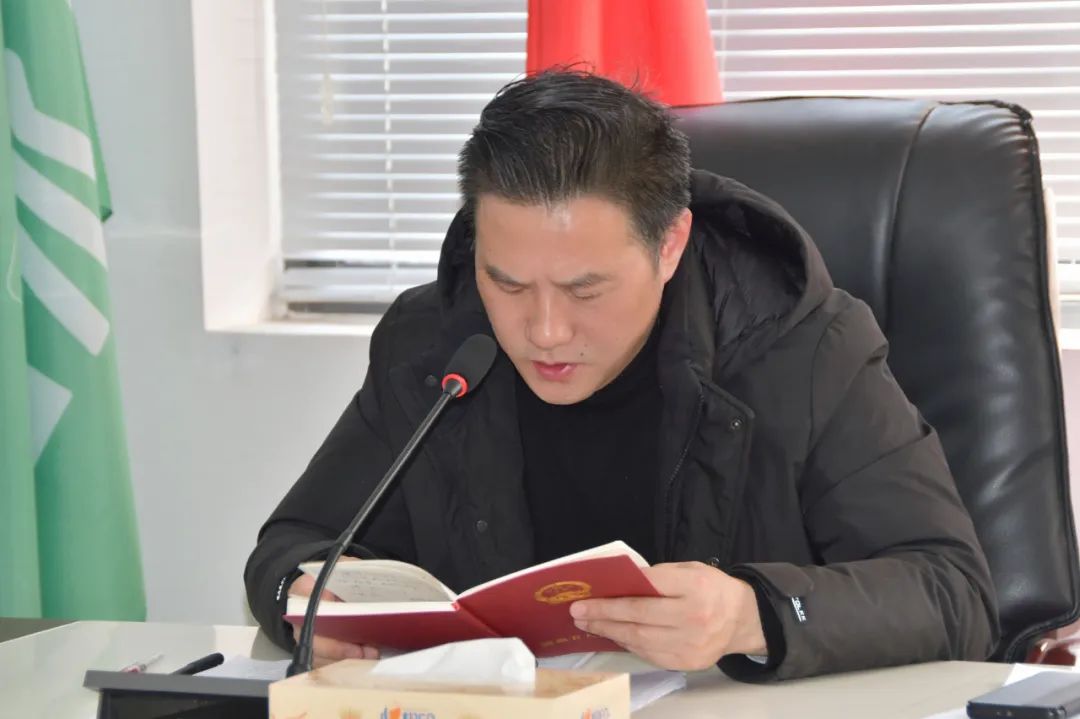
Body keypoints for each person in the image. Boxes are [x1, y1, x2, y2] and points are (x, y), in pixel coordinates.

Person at [245, 70, 998, 681]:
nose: (544, 330)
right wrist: (304, 599)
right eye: (507, 283)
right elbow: (294, 545)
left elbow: (953, 591)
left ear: (669, 245)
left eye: (585, 290)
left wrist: (752, 615)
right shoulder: (433, 344)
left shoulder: (803, 345)